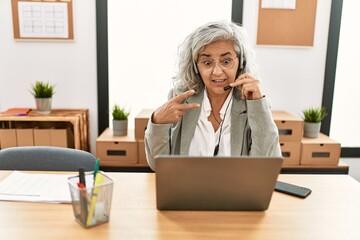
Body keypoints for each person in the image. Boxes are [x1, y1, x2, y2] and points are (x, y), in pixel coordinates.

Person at [144, 20, 281, 171]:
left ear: (241, 62)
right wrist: (157, 122)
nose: (217, 72)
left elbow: (265, 168)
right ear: (196, 66)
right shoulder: (181, 99)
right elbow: (157, 166)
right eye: (207, 62)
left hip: (235, 193)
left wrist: (257, 106)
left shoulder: (253, 103)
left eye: (226, 61)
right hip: (187, 192)